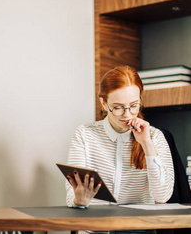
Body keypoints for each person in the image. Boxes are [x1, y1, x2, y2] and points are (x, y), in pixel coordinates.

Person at [65, 65, 174, 213]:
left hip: (139, 229)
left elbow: (162, 197)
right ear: (104, 103)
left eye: (134, 106)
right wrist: (79, 201)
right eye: (118, 107)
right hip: (95, 229)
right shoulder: (84, 135)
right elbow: (72, 195)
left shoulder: (155, 137)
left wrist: (147, 144)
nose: (127, 114)